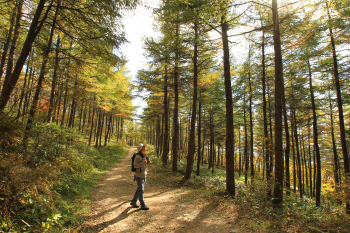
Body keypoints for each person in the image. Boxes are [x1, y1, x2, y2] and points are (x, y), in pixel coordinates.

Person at [131, 143, 151, 210]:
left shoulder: (144, 155)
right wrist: (143, 163)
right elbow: (135, 165)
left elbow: (145, 164)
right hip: (139, 176)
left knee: (139, 189)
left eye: (144, 147)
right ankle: (143, 204)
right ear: (140, 149)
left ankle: (133, 201)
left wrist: (147, 162)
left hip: (143, 175)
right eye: (143, 147)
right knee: (141, 190)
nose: (144, 148)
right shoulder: (138, 156)